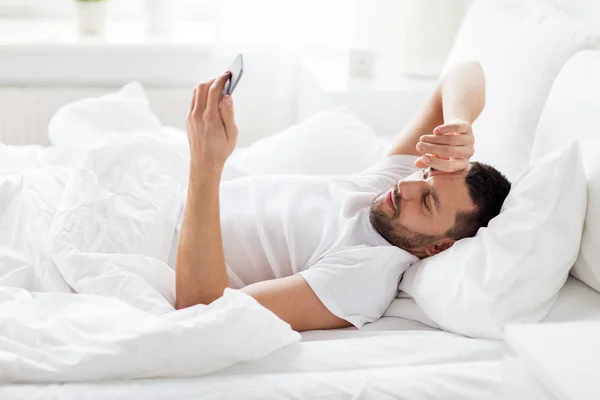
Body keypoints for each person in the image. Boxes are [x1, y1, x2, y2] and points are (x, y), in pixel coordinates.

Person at [172, 61, 510, 332]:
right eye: (424, 174)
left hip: (158, 236)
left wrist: (205, 164)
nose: (405, 188)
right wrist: (458, 126)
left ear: (438, 247)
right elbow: (466, 70)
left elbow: (206, 312)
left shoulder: (365, 272)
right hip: (159, 198)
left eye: (427, 202)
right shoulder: (388, 193)